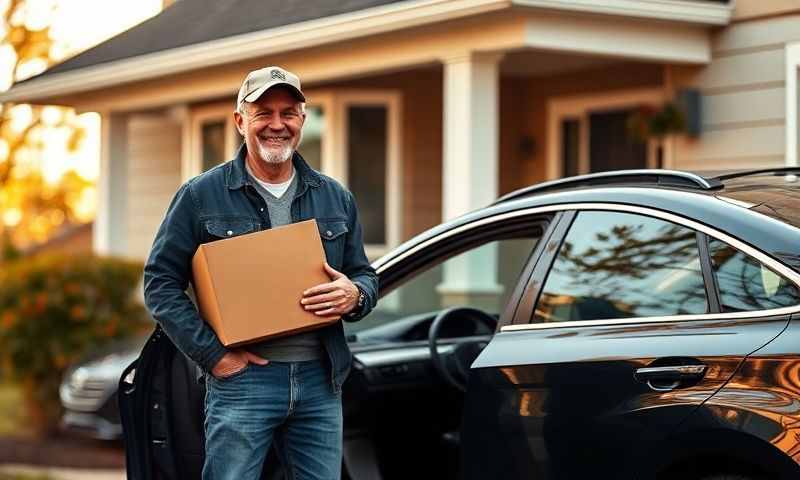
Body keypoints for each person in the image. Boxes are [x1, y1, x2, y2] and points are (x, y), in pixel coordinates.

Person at [143, 66, 378, 480]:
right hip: (245, 381)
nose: (276, 124)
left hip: (320, 382)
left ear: (302, 120)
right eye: (263, 112)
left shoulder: (335, 196)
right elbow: (159, 284)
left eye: (288, 113)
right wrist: (213, 356)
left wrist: (355, 295)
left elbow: (364, 274)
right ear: (240, 121)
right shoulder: (201, 195)